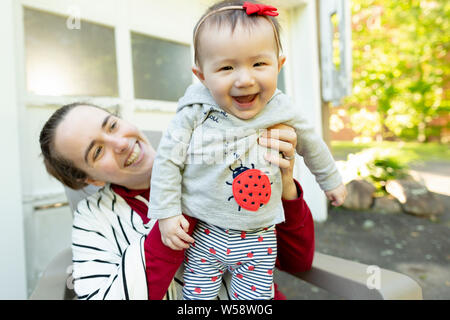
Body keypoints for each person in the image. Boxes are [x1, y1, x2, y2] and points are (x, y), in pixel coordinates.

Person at [148, 0, 347, 300]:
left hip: (259, 238)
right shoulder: (194, 110)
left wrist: (330, 180)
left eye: (258, 64)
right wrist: (166, 212)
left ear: (279, 65)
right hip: (204, 234)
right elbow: (167, 161)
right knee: (197, 300)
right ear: (201, 76)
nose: (244, 79)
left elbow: (312, 144)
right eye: (227, 67)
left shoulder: (281, 107)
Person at [39, 102, 315, 300]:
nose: (120, 143)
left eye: (112, 125)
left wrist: (285, 185)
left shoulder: (221, 159)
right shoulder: (94, 218)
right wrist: (190, 197)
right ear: (91, 180)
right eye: (98, 151)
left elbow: (297, 262)